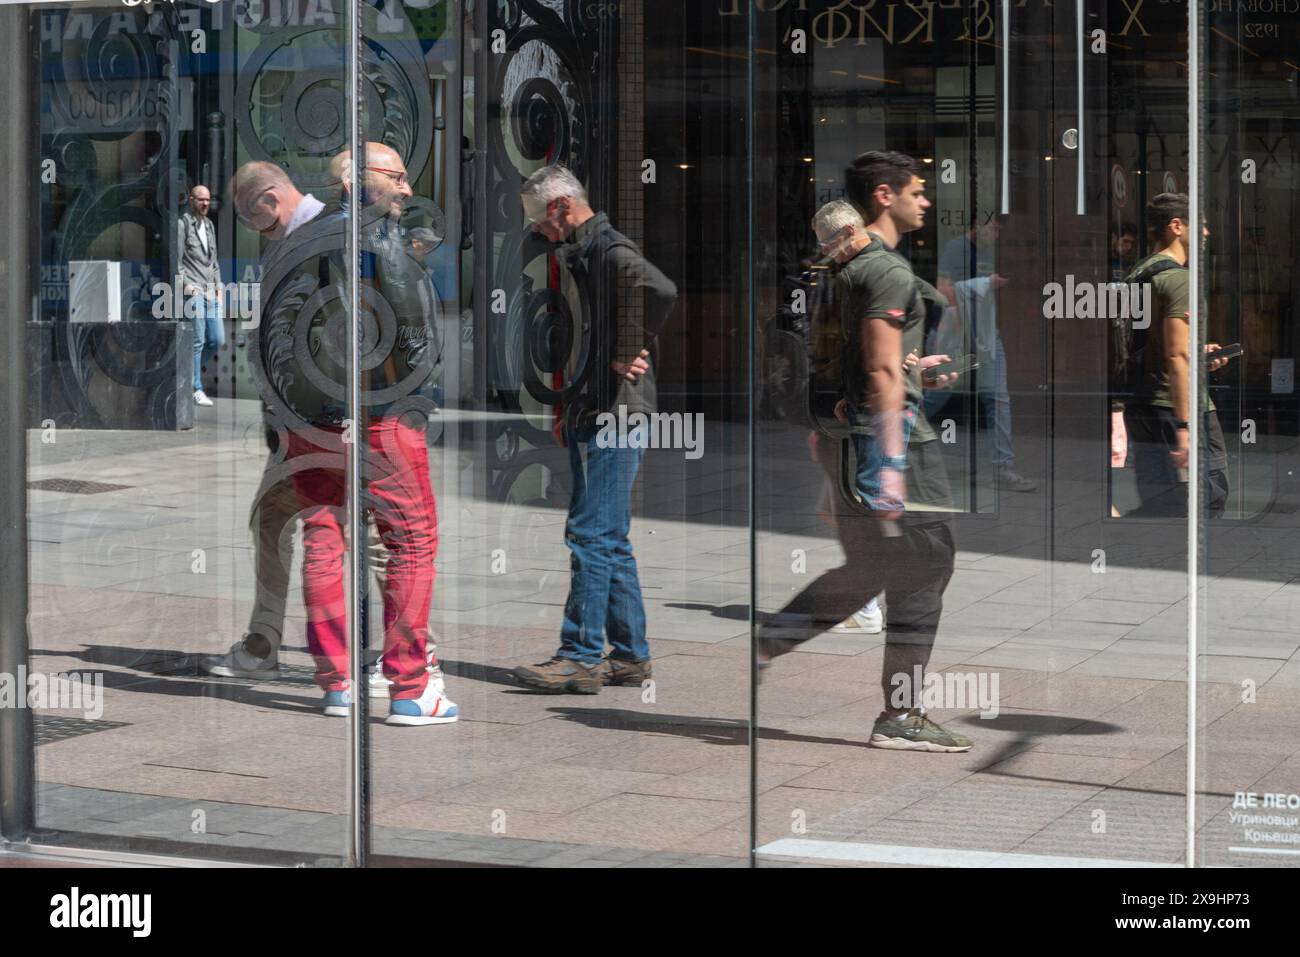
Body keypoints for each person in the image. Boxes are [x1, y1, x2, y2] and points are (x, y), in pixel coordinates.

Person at [207, 151, 457, 727]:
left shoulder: (297, 245)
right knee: (409, 544)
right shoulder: (377, 235)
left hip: (312, 422)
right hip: (378, 418)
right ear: (359, 182)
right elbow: (411, 333)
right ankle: (411, 687)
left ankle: (338, 682)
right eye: (396, 177)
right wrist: (418, 400)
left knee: (324, 538)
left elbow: (268, 338)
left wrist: (288, 416)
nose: (407, 187)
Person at [758, 153, 970, 753]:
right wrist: (895, 465)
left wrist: (912, 371)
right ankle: (900, 716)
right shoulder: (885, 272)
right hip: (886, 441)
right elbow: (877, 369)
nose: (925, 200)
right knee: (927, 565)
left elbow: (872, 361)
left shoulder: (837, 272)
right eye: (918, 191)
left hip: (843, 435)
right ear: (885, 195)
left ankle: (776, 637)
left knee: (879, 567)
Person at [511, 164, 678, 694]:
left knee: (589, 534)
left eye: (538, 218)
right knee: (609, 536)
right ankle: (629, 656)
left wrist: (627, 347)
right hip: (600, 409)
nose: (535, 229)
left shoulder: (605, 248)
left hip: (615, 412)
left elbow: (658, 288)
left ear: (560, 206)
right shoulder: (583, 249)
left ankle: (580, 656)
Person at [1112, 193, 1233, 517]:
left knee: (1161, 503)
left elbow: (1152, 343)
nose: (1207, 233)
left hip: (1143, 406)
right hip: (1177, 405)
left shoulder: (1139, 273)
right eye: (1202, 226)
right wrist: (1184, 427)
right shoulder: (1180, 280)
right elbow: (1176, 358)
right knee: (1211, 496)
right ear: (1177, 226)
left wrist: (1198, 352)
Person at [933, 219, 1036, 492]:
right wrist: (984, 283)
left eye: (1001, 230)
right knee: (934, 394)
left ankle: (1003, 467)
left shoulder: (991, 252)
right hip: (959, 338)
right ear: (977, 225)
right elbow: (943, 291)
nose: (997, 234)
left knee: (998, 399)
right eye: (993, 228)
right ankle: (897, 442)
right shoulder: (957, 248)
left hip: (987, 337)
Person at [177, 184, 225, 407]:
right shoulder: (182, 224)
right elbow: (177, 263)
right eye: (201, 200)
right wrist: (187, 286)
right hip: (194, 291)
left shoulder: (210, 226)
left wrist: (218, 286)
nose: (205, 204)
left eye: (208, 200)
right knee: (197, 341)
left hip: (210, 292)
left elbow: (213, 262)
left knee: (217, 339)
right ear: (191, 200)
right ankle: (195, 388)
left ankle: (183, 372)